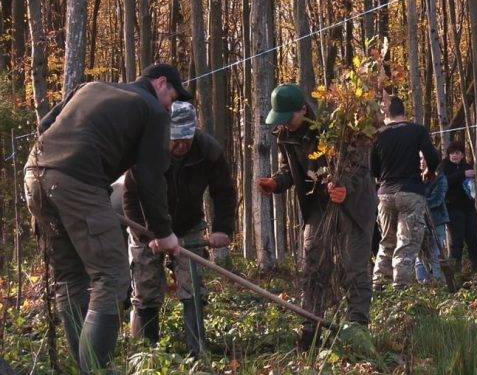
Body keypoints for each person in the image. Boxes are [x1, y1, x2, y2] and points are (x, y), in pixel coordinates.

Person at [23, 64, 189, 372]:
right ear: (161, 82)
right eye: (173, 96)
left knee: (71, 277)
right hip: (78, 180)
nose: (171, 105)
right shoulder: (151, 109)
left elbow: (46, 123)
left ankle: (87, 367)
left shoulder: (91, 87)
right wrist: (163, 232)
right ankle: (97, 370)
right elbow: (150, 177)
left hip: (35, 172)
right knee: (112, 276)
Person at [257, 83, 377, 349]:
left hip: (353, 205)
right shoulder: (284, 136)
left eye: (290, 118)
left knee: (353, 268)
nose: (286, 124)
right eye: (281, 120)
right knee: (313, 263)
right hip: (318, 206)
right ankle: (311, 327)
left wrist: (344, 185)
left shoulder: (336, 129)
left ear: (303, 109)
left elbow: (359, 165)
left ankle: (357, 333)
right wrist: (277, 182)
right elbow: (291, 169)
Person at [123, 102, 236, 356]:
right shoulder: (146, 149)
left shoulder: (209, 150)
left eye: (186, 137)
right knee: (146, 286)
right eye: (176, 138)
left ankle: (196, 350)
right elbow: (130, 197)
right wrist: (147, 235)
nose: (181, 144)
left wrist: (222, 228)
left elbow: (224, 192)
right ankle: (146, 352)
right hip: (147, 227)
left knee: (192, 286)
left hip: (188, 225)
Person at [372, 97, 440, 289]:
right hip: (411, 192)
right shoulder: (417, 131)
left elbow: (373, 168)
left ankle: (379, 286)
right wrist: (429, 171)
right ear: (404, 112)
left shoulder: (378, 135)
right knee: (406, 244)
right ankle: (400, 289)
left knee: (386, 242)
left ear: (387, 114)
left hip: (385, 194)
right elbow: (433, 158)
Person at [439, 141, 477, 272]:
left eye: (457, 153)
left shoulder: (467, 166)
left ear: (462, 155)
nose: (454, 156)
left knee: (473, 238)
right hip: (453, 207)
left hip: (469, 207)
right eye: (451, 153)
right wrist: (462, 175)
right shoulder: (443, 167)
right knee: (457, 240)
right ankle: (455, 271)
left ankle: (476, 269)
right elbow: (443, 183)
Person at [414, 154, 449, 284]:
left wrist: (417, 202)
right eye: (420, 159)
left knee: (435, 253)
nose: (422, 162)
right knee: (419, 255)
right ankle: (423, 284)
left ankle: (438, 282)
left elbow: (437, 199)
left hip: (436, 220)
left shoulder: (440, 178)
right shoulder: (416, 178)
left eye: (425, 158)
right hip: (418, 221)